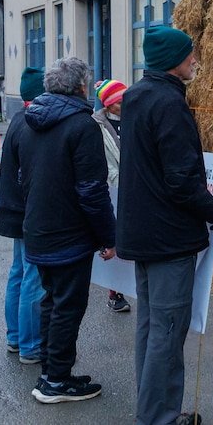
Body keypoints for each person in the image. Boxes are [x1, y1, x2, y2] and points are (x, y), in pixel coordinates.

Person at [118, 26, 213, 425]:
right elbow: (182, 182)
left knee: (152, 328)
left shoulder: (135, 96)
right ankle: (159, 418)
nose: (195, 59)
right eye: (189, 54)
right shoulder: (169, 103)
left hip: (143, 232)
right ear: (174, 61)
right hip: (168, 237)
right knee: (167, 333)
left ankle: (152, 409)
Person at [17, 57, 117, 404]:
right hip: (68, 233)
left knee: (52, 302)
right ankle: (56, 381)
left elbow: (22, 177)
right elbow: (92, 189)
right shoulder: (81, 125)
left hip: (39, 228)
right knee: (67, 308)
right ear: (81, 86)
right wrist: (108, 236)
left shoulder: (30, 120)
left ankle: (51, 372)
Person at [0, 67, 46, 363]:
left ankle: (15, 337)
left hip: (13, 208)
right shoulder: (33, 123)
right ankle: (30, 345)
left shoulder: (17, 119)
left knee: (19, 272)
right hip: (27, 211)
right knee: (33, 277)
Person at [93, 78, 131, 313]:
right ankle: (114, 292)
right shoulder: (97, 126)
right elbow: (104, 164)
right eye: (119, 102)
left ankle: (132, 286)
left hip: (133, 186)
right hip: (113, 187)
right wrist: (121, 181)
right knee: (113, 238)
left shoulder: (134, 119)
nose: (123, 105)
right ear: (108, 104)